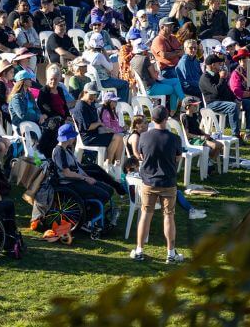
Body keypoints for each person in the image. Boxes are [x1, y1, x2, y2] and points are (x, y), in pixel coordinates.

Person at [130, 106, 184, 263]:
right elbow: (178, 158)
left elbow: (140, 155)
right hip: (168, 182)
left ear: (152, 120)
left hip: (149, 182)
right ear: (166, 119)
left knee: (145, 215)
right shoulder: (175, 139)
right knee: (169, 216)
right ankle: (171, 253)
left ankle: (139, 250)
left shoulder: (144, 137)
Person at [51, 123, 117, 234]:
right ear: (69, 137)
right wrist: (85, 179)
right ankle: (89, 220)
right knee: (103, 194)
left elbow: (77, 167)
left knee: (109, 190)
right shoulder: (58, 151)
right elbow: (67, 173)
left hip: (78, 179)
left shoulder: (67, 149)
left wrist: (87, 176)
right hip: (69, 183)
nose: (74, 138)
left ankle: (96, 215)